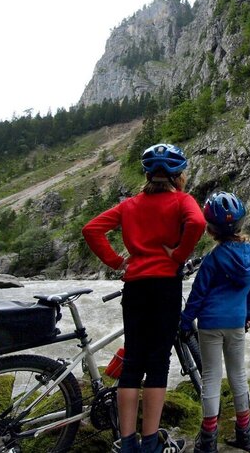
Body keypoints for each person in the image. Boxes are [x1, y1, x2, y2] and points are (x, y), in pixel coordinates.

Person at [83, 143, 206, 453]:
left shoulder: (130, 205)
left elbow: (91, 229)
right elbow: (199, 223)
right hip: (165, 287)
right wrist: (178, 255)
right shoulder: (182, 200)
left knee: (133, 363)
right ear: (179, 175)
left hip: (135, 286)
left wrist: (115, 262)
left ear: (148, 174)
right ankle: (150, 442)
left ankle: (127, 444)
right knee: (157, 364)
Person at [181, 192, 250, 453]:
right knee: (239, 374)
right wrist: (247, 312)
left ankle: (209, 439)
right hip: (237, 322)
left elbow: (198, 294)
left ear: (211, 230)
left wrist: (184, 321)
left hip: (210, 324)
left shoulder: (213, 258)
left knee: (211, 377)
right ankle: (245, 434)